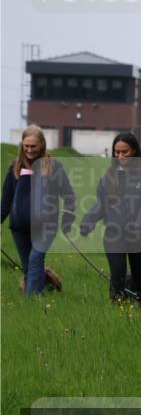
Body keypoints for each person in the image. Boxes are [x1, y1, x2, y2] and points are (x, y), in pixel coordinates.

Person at [80, 133, 141, 305]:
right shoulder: (108, 176)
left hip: (140, 237)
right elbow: (102, 204)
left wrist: (139, 227)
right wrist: (88, 220)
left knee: (139, 279)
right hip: (114, 234)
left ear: (134, 151)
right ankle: (117, 312)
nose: (121, 156)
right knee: (118, 275)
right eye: (117, 152)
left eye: (125, 152)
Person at [0, 125, 76, 296]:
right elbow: (6, 201)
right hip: (19, 227)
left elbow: (69, 195)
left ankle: (32, 301)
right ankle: (47, 286)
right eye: (26, 146)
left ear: (42, 144)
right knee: (29, 268)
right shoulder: (15, 168)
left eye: (33, 146)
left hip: (45, 226)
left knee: (35, 259)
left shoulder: (53, 167)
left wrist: (68, 218)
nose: (29, 150)